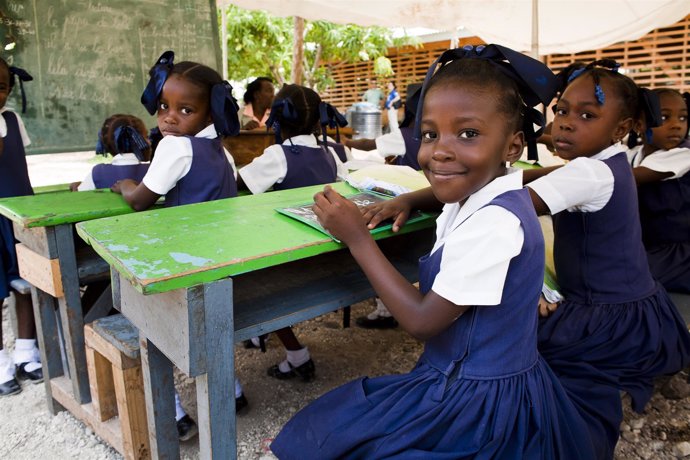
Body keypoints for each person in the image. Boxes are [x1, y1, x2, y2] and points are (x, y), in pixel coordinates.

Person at [271, 44, 596, 459]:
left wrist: (358, 238)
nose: (439, 150)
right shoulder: (485, 194)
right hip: (491, 376)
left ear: (512, 147)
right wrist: (411, 200)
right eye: (429, 134)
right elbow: (456, 189)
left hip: (476, 399)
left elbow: (423, 322)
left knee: (335, 432)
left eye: (468, 134)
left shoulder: (494, 224)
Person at [110, 51, 246, 438]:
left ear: (209, 113)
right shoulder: (222, 151)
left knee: (148, 321)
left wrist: (125, 185)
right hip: (219, 261)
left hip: (182, 264)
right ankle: (232, 391)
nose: (169, 117)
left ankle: (174, 415)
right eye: (164, 106)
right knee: (206, 324)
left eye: (184, 109)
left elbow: (140, 201)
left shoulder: (174, 147)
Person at [239, 84, 348, 382]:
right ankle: (266, 339)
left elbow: (241, 185)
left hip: (287, 257)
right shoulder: (329, 154)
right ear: (317, 122)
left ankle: (295, 353)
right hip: (325, 252)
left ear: (276, 120)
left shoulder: (277, 155)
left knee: (254, 282)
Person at [0, 59, 43, 396]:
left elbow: (19, 168)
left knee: (26, 282)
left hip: (18, 217)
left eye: (1, 87)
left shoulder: (12, 121)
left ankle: (26, 352)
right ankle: (1, 364)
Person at [628, 88, 690, 293]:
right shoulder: (633, 155)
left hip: (680, 253)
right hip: (650, 247)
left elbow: (614, 178)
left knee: (623, 278)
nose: (676, 125)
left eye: (683, 117)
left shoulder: (683, 154)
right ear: (639, 125)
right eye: (664, 117)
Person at [71, 114, 152, 191]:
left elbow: (80, 196)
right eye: (146, 137)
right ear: (139, 141)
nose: (149, 142)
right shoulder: (152, 170)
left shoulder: (98, 173)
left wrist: (76, 187)